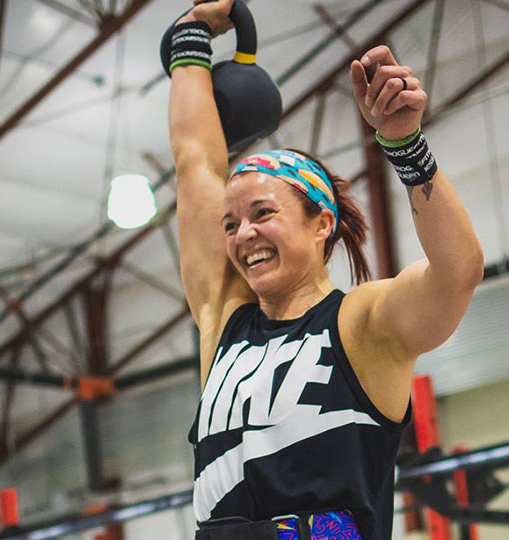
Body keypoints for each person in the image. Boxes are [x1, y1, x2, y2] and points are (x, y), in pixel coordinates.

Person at [167, 1, 484, 538]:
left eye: (263, 214)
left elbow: (457, 272)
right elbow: (195, 160)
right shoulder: (222, 319)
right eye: (230, 223)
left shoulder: (362, 323)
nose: (243, 234)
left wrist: (406, 146)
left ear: (321, 225)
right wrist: (190, 44)